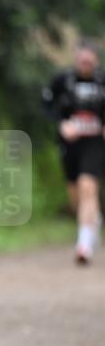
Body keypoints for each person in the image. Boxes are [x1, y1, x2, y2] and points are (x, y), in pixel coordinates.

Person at [42, 41, 105, 264]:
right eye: (82, 60)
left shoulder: (102, 81)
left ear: (96, 60)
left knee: (88, 187)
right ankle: (93, 222)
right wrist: (62, 124)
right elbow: (46, 105)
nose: (85, 64)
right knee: (75, 195)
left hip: (96, 142)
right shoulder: (63, 81)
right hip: (70, 144)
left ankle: (84, 245)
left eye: (89, 60)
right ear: (76, 59)